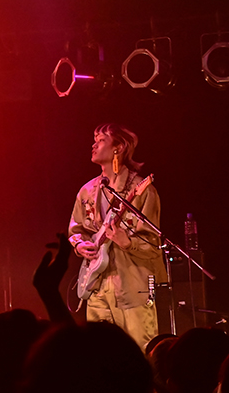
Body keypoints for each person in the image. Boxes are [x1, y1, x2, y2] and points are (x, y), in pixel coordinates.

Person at [69, 123, 165, 351]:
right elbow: (76, 230)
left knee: (141, 352)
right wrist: (80, 245)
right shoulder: (87, 191)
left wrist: (128, 243)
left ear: (118, 147)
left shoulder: (142, 190)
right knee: (99, 354)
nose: (94, 145)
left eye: (101, 140)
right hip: (96, 288)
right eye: (94, 140)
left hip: (132, 288)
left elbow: (154, 244)